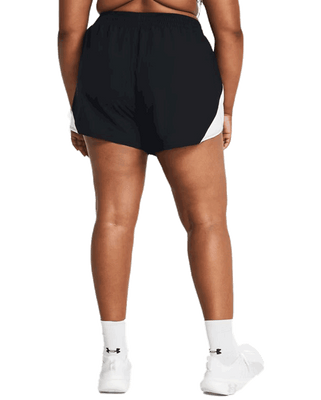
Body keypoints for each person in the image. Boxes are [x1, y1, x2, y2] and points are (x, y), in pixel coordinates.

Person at [57, 0, 266, 396]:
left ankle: (113, 360)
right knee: (205, 219)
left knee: (113, 218)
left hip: (107, 61)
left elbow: (69, 33)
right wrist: (226, 110)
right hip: (181, 60)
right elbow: (230, 32)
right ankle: (222, 358)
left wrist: (77, 106)